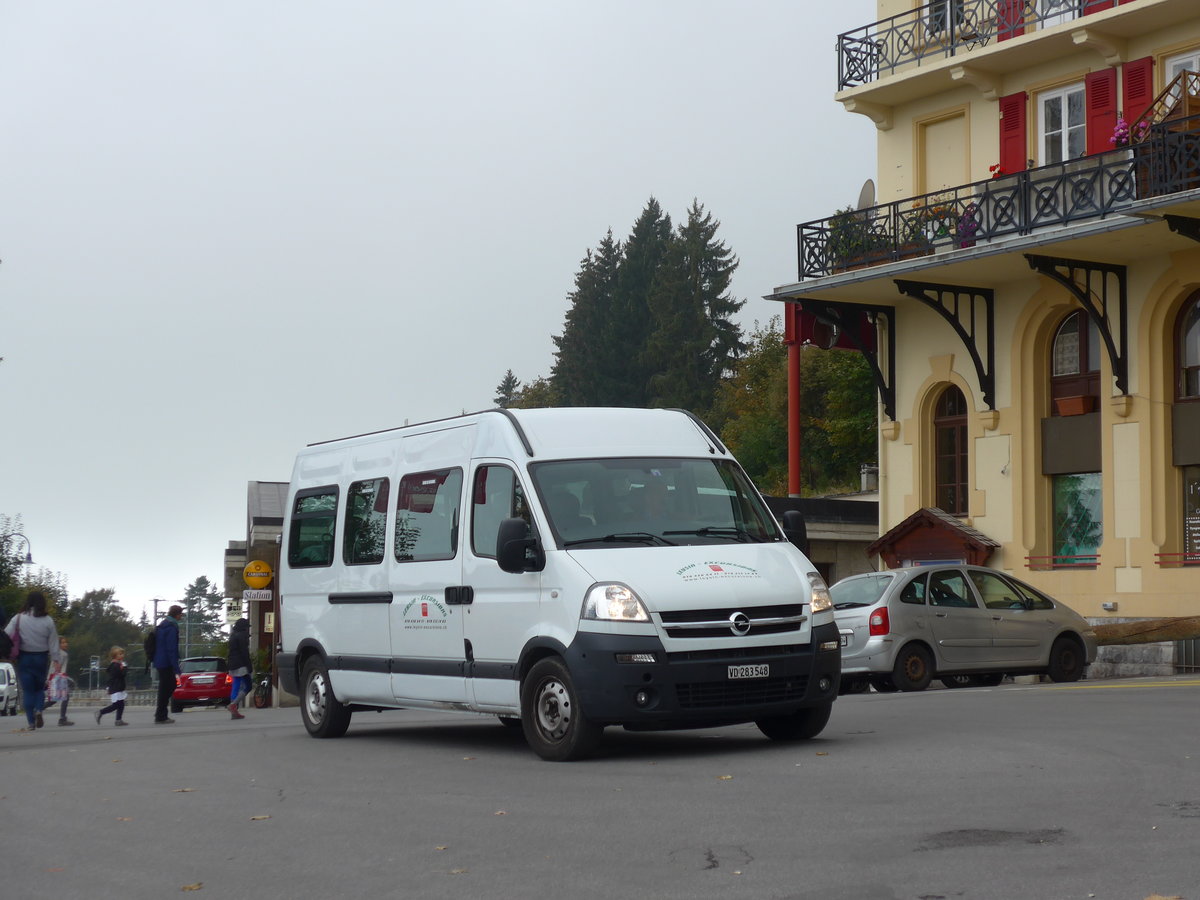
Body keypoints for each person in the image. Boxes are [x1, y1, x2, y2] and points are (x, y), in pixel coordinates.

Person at [3, 590, 63, 732]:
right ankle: (39, 710)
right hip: (41, 658)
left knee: (28, 690)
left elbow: (6, 634)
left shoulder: (18, 618)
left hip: (24, 657)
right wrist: (56, 660)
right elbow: (53, 642)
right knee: (38, 689)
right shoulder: (48, 620)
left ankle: (31, 721)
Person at [152, 604, 183, 724]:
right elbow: (171, 649)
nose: (181, 617)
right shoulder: (171, 627)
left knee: (164, 688)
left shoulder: (162, 625)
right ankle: (160, 715)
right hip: (166, 662)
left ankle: (160, 714)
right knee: (168, 687)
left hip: (159, 661)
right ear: (177, 614)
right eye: (180, 615)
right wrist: (176, 668)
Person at [95, 646, 129, 726]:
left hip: (118, 687)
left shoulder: (118, 664)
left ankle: (118, 720)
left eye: (122, 654)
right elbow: (121, 675)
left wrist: (123, 667)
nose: (122, 655)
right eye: (120, 654)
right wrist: (124, 668)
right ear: (115, 656)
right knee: (116, 705)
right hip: (115, 687)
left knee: (121, 704)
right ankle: (100, 712)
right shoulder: (115, 665)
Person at [45, 635, 74, 725]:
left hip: (53, 677)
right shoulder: (63, 654)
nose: (66, 644)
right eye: (63, 642)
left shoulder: (56, 653)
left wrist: (49, 678)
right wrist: (65, 678)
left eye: (66, 642)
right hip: (59, 677)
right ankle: (62, 719)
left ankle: (37, 710)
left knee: (54, 700)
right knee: (64, 697)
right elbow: (60, 668)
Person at [227, 617, 251, 720]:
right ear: (244, 627)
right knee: (248, 685)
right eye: (246, 627)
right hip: (241, 664)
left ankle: (234, 710)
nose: (247, 629)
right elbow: (244, 652)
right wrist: (249, 666)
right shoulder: (242, 636)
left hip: (232, 663)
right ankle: (233, 705)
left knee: (235, 685)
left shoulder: (232, 636)